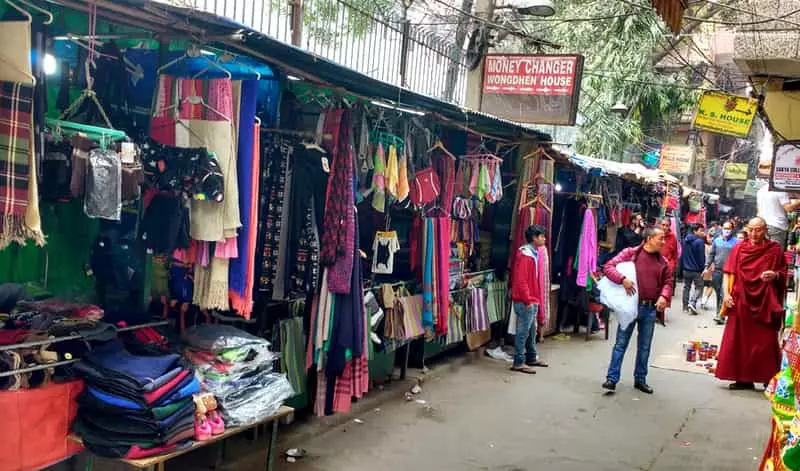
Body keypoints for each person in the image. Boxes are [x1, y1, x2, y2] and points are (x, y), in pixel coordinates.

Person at [601, 227, 674, 395]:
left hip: (649, 309)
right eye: (660, 238)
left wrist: (664, 296)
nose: (663, 242)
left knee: (645, 347)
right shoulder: (630, 253)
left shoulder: (662, 262)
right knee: (621, 344)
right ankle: (612, 379)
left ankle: (640, 379)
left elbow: (668, 282)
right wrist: (622, 279)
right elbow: (608, 267)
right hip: (630, 307)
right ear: (649, 239)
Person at [716, 217, 785, 391]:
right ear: (747, 229)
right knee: (740, 341)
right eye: (751, 230)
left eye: (758, 230)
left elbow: (783, 273)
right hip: (741, 300)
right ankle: (743, 379)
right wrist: (725, 294)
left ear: (765, 230)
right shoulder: (740, 248)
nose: (754, 234)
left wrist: (775, 276)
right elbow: (728, 272)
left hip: (764, 301)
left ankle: (767, 377)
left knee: (766, 342)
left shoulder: (774, 249)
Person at [509, 225, 548, 374]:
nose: (544, 238)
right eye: (541, 236)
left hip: (531, 298)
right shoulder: (526, 255)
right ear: (534, 238)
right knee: (523, 331)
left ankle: (531, 357)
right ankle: (518, 362)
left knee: (531, 331)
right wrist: (527, 299)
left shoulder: (532, 253)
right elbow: (521, 280)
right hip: (526, 299)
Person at [705, 221, 740, 324]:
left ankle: (720, 315)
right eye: (725, 228)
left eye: (728, 229)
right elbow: (711, 255)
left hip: (729, 273)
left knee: (723, 293)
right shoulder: (717, 241)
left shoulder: (736, 243)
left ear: (732, 229)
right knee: (718, 292)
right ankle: (720, 313)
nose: (726, 231)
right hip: (717, 271)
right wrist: (706, 267)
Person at [757, 183, 800, 249]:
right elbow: (789, 208)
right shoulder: (780, 190)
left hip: (763, 225)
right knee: (775, 254)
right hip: (777, 226)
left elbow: (758, 211)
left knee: (764, 252)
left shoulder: (761, 190)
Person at [681, 224, 706, 315]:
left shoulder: (685, 240)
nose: (703, 232)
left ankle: (685, 306)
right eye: (701, 230)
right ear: (695, 231)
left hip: (686, 269)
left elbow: (682, 255)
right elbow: (701, 257)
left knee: (686, 287)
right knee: (699, 287)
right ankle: (693, 302)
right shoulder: (699, 242)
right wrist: (703, 268)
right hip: (696, 270)